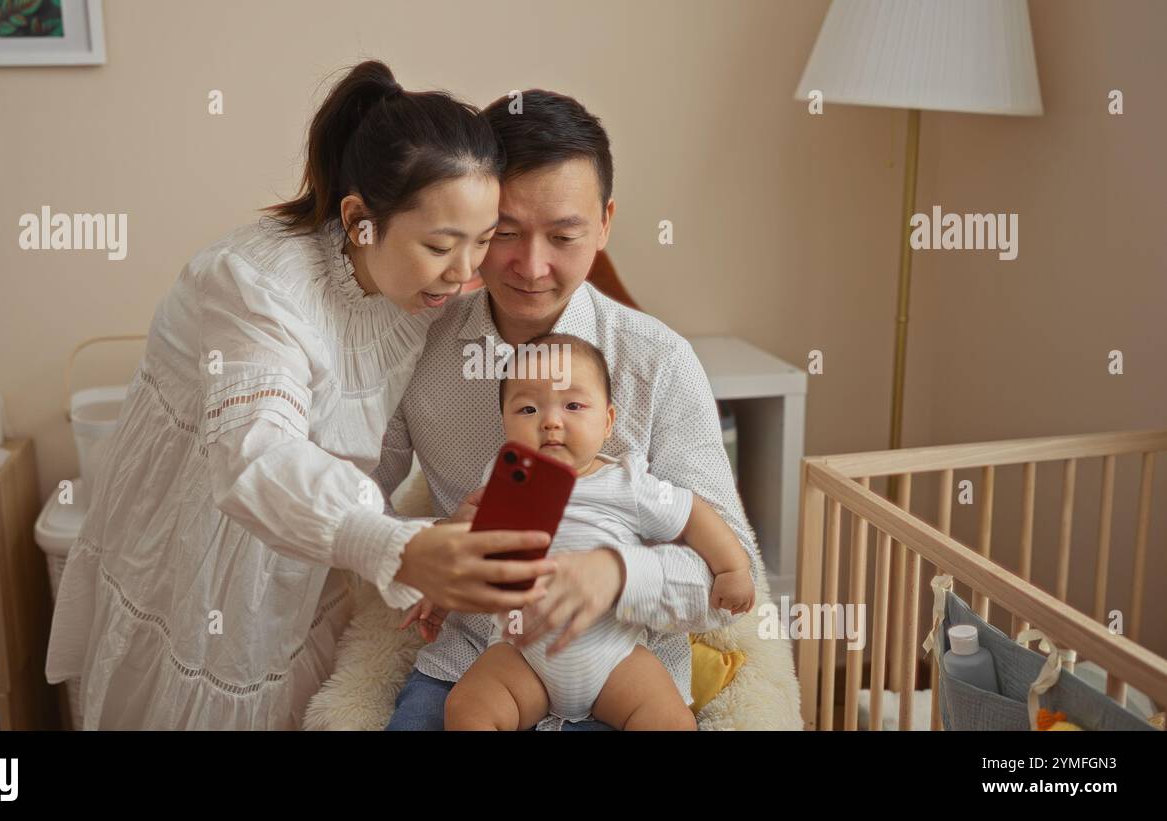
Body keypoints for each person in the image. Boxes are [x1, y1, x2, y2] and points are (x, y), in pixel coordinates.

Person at [44, 60, 556, 729]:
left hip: (307, 554)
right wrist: (397, 546)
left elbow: (384, 434)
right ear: (359, 220)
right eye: (441, 245)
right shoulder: (253, 287)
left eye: (482, 242)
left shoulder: (423, 293)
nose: (465, 272)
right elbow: (255, 451)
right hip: (205, 546)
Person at [378, 90, 763, 731]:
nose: (532, 266)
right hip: (479, 658)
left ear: (605, 222)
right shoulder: (418, 347)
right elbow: (349, 501)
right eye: (504, 233)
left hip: (625, 666)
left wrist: (619, 573)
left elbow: (730, 587)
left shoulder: (658, 362)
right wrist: (422, 554)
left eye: (563, 235)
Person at [412, 335, 756, 730]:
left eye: (573, 405)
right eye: (527, 408)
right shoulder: (505, 481)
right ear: (504, 423)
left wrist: (733, 568)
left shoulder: (627, 483)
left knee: (669, 718)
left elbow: (693, 513)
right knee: (467, 707)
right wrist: (443, 592)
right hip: (521, 653)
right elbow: (476, 553)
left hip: (613, 653)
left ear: (608, 421)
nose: (551, 421)